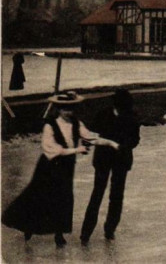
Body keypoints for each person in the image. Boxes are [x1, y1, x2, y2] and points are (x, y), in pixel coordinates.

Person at [3, 92, 119, 248]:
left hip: (66, 168)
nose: (68, 112)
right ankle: (29, 226)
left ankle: (59, 234)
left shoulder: (76, 123)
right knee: (39, 196)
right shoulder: (49, 125)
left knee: (63, 199)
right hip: (49, 167)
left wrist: (111, 143)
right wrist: (77, 150)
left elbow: (91, 137)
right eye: (64, 109)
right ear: (58, 109)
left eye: (71, 108)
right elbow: (52, 150)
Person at [80, 89, 140, 245]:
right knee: (97, 193)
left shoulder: (132, 117)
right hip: (103, 159)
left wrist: (123, 146)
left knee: (116, 195)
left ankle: (110, 229)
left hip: (121, 160)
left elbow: (135, 140)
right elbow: (93, 133)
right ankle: (86, 233)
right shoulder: (103, 115)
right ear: (115, 104)